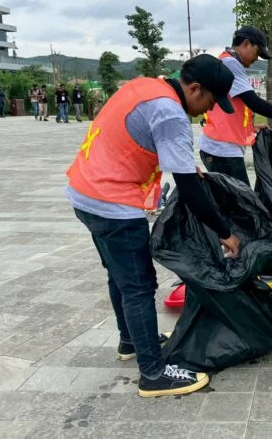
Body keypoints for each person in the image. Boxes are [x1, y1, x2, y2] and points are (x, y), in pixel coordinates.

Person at [66, 55, 240, 398]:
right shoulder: (171, 113)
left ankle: (131, 341)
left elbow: (146, 140)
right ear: (195, 88)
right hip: (112, 203)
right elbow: (189, 188)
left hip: (84, 192)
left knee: (119, 276)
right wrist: (225, 233)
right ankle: (154, 373)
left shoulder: (147, 86)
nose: (208, 111)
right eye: (209, 101)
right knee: (139, 286)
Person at [198, 26, 272, 185]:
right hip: (221, 150)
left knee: (232, 198)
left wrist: (249, 128)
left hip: (221, 148)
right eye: (257, 52)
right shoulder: (230, 63)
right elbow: (252, 101)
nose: (256, 59)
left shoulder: (228, 61)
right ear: (246, 44)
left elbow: (231, 109)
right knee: (242, 199)